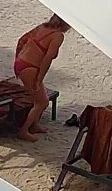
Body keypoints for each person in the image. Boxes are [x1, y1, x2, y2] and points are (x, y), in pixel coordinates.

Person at [13, 14, 70, 142]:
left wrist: (17, 59)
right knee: (42, 102)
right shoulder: (58, 36)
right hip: (30, 67)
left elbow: (21, 40)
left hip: (22, 62)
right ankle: (24, 130)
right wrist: (39, 78)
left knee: (37, 98)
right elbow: (47, 59)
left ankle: (34, 125)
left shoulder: (42, 27)